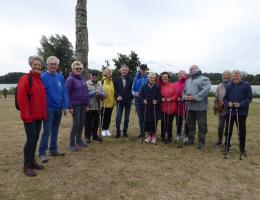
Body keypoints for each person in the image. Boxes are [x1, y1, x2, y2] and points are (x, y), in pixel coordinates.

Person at [17, 55, 47, 177]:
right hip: (29, 117)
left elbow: (41, 99)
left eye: (39, 65)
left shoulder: (39, 80)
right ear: (31, 65)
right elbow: (22, 100)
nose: (37, 66)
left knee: (35, 139)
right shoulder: (25, 79)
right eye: (35, 64)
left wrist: (43, 114)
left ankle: (32, 161)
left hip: (38, 116)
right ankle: (26, 165)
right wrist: (26, 116)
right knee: (30, 140)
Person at [38, 56, 68, 163]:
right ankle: (42, 153)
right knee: (47, 131)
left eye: (55, 64)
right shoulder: (42, 77)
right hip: (48, 109)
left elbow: (64, 92)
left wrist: (65, 106)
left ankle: (53, 150)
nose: (53, 66)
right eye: (51, 64)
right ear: (47, 65)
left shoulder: (60, 77)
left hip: (58, 108)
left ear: (57, 65)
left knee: (55, 130)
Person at [223, 70, 252, 155]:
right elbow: (225, 98)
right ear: (231, 77)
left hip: (241, 113)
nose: (235, 78)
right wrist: (228, 103)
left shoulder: (246, 85)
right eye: (234, 76)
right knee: (228, 130)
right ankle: (226, 146)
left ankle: (242, 149)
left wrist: (240, 104)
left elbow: (249, 98)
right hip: (230, 111)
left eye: (237, 76)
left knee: (241, 131)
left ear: (240, 77)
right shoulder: (228, 85)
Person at [182, 65, 211, 149]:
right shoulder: (188, 80)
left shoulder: (204, 79)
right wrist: (185, 97)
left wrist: (195, 97)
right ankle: (191, 140)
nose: (189, 71)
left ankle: (201, 142)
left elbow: (205, 90)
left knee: (202, 125)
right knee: (190, 125)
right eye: (189, 69)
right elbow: (184, 91)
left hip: (200, 107)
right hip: (190, 106)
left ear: (196, 70)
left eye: (191, 69)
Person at [66, 61, 89, 152]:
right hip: (75, 105)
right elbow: (66, 93)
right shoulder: (70, 79)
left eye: (80, 68)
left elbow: (86, 92)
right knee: (76, 124)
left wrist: (87, 104)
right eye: (77, 68)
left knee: (81, 123)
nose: (78, 70)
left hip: (83, 105)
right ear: (73, 69)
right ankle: (71, 144)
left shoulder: (83, 79)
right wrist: (70, 106)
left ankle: (79, 141)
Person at [114, 64, 134, 138]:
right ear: (120, 70)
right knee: (118, 117)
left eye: (126, 70)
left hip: (128, 101)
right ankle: (118, 132)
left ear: (128, 71)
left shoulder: (132, 79)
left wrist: (129, 98)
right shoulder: (115, 79)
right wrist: (117, 96)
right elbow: (115, 90)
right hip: (120, 101)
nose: (124, 71)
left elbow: (132, 91)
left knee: (127, 117)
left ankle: (125, 131)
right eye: (123, 70)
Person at [140, 72, 161, 143]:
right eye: (150, 77)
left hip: (154, 107)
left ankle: (154, 136)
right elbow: (141, 96)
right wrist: (143, 100)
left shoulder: (157, 86)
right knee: (147, 122)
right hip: (147, 107)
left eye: (153, 77)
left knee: (154, 122)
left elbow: (159, 98)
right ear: (148, 78)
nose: (151, 79)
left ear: (155, 78)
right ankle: (148, 136)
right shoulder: (144, 86)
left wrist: (157, 101)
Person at [85, 70, 105, 143]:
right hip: (89, 107)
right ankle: (87, 137)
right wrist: (94, 93)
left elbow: (104, 94)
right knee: (88, 123)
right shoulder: (86, 83)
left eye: (96, 75)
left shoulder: (99, 84)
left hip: (97, 107)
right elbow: (85, 95)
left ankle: (95, 135)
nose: (94, 77)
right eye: (93, 75)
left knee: (96, 122)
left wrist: (100, 93)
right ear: (90, 76)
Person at [213, 70, 231, 147]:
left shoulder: (232, 85)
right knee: (220, 127)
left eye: (227, 75)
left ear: (230, 76)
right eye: (224, 75)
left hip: (230, 110)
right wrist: (215, 107)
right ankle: (220, 141)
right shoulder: (219, 86)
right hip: (221, 109)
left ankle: (227, 142)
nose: (225, 77)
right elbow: (216, 97)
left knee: (228, 127)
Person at [159, 72, 177, 144]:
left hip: (171, 107)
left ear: (168, 78)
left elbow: (176, 95)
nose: (164, 78)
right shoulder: (160, 86)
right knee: (163, 123)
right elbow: (157, 95)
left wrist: (171, 99)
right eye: (163, 77)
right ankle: (163, 136)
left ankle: (169, 137)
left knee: (169, 123)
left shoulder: (173, 85)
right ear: (162, 78)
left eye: (166, 77)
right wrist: (161, 98)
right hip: (163, 107)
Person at [132, 64, 149, 138]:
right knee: (141, 117)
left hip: (146, 99)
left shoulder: (149, 78)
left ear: (146, 70)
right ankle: (142, 132)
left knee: (147, 117)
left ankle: (147, 132)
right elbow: (132, 89)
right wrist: (136, 93)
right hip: (138, 100)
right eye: (142, 69)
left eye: (144, 69)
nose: (143, 70)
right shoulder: (136, 78)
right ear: (139, 69)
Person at [173, 70, 189, 144]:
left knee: (186, 121)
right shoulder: (175, 83)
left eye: (181, 74)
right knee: (178, 121)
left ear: (185, 75)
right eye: (178, 74)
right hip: (177, 104)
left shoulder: (187, 82)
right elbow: (173, 93)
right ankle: (178, 134)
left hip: (186, 104)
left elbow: (188, 92)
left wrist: (183, 97)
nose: (179, 75)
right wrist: (176, 98)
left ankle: (186, 135)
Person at [100, 67, 115, 137]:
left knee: (108, 117)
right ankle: (102, 129)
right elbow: (100, 91)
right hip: (104, 103)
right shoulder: (101, 81)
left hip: (111, 102)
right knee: (103, 116)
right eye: (107, 72)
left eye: (110, 72)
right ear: (104, 73)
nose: (109, 73)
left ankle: (107, 129)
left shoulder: (113, 81)